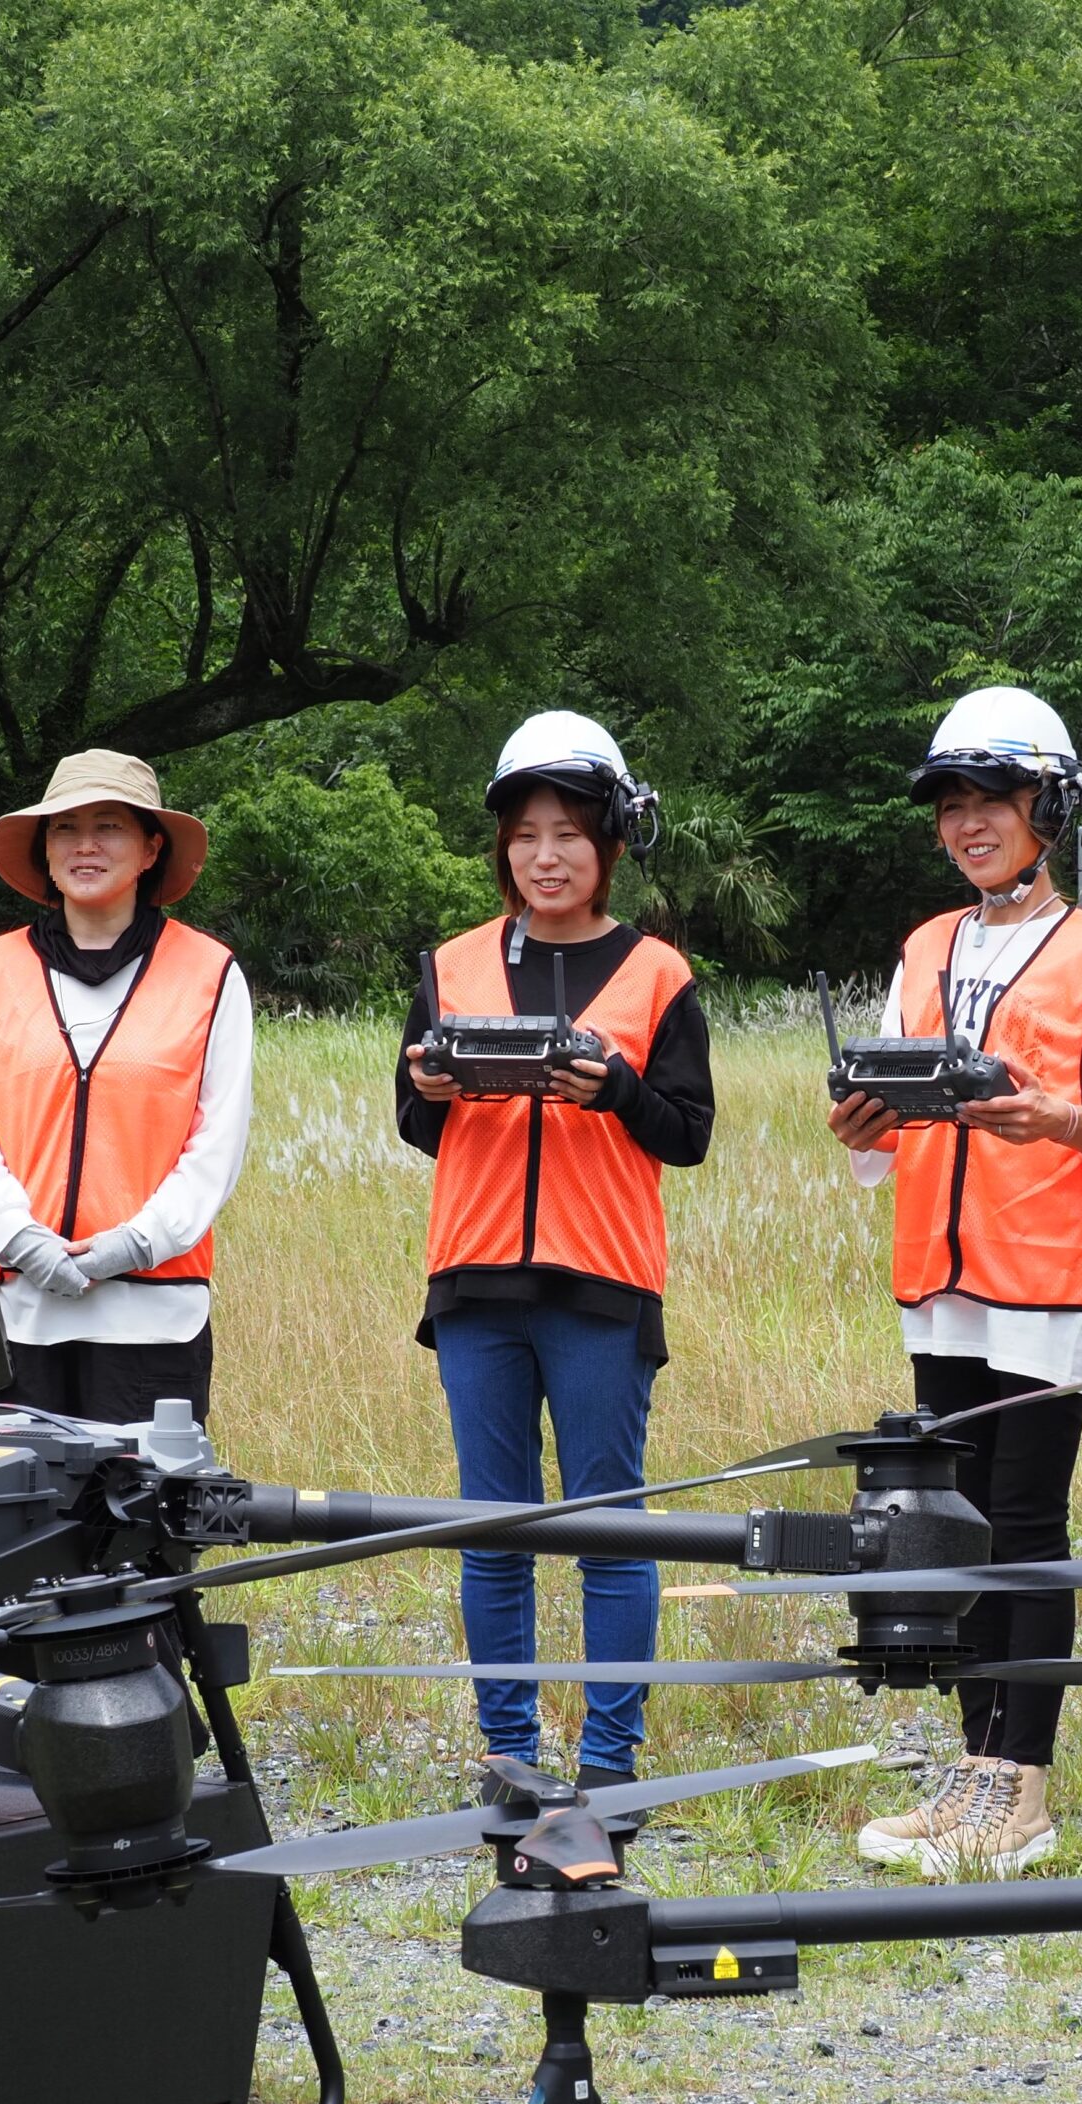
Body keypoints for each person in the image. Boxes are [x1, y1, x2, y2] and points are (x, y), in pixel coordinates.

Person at [829, 687, 1082, 1877]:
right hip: (939, 1272)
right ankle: (975, 1769)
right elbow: (874, 1131)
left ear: (1047, 807)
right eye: (951, 806)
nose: (968, 825)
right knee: (949, 1525)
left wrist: (1049, 1119)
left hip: (1045, 1274)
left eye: (991, 801)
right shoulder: (925, 945)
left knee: (1023, 1526)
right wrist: (856, 1119)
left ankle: (1021, 1789)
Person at [394, 712, 712, 1791]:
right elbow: (415, 1119)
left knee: (606, 1530)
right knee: (493, 1529)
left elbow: (688, 1133)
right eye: (525, 834)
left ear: (611, 842)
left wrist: (616, 1088)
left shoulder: (658, 974)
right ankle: (509, 1754)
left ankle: (610, 1763)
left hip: (597, 1284)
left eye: (568, 833)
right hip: (475, 1281)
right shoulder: (450, 963)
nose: (544, 855)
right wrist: (429, 1087)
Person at [0, 750, 249, 1424]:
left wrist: (133, 1244)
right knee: (10, 1521)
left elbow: (216, 1144)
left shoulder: (212, 974)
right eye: (65, 828)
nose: (85, 846)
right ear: (45, 851)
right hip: (13, 1313)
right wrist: (21, 1240)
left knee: (145, 1525)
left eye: (109, 827)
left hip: (152, 1318)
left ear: (150, 849)